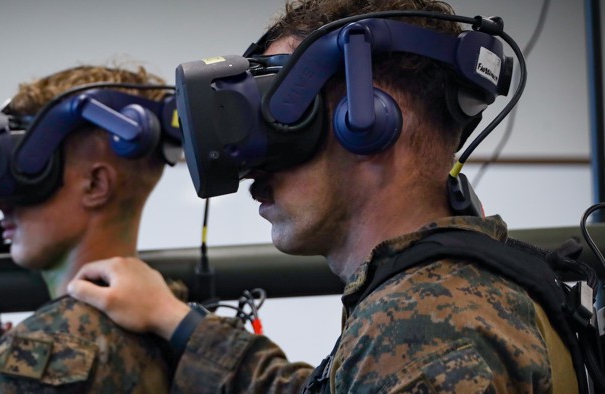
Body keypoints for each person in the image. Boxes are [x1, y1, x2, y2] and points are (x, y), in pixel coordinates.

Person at [67, 1, 579, 393]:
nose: (252, 168)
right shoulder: (451, 293)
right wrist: (175, 322)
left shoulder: (418, 327)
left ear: (367, 117)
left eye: (278, 118)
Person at [0, 64, 185, 393]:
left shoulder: (54, 353)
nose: (2, 203)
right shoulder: (181, 334)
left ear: (95, 185)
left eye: (29, 173)